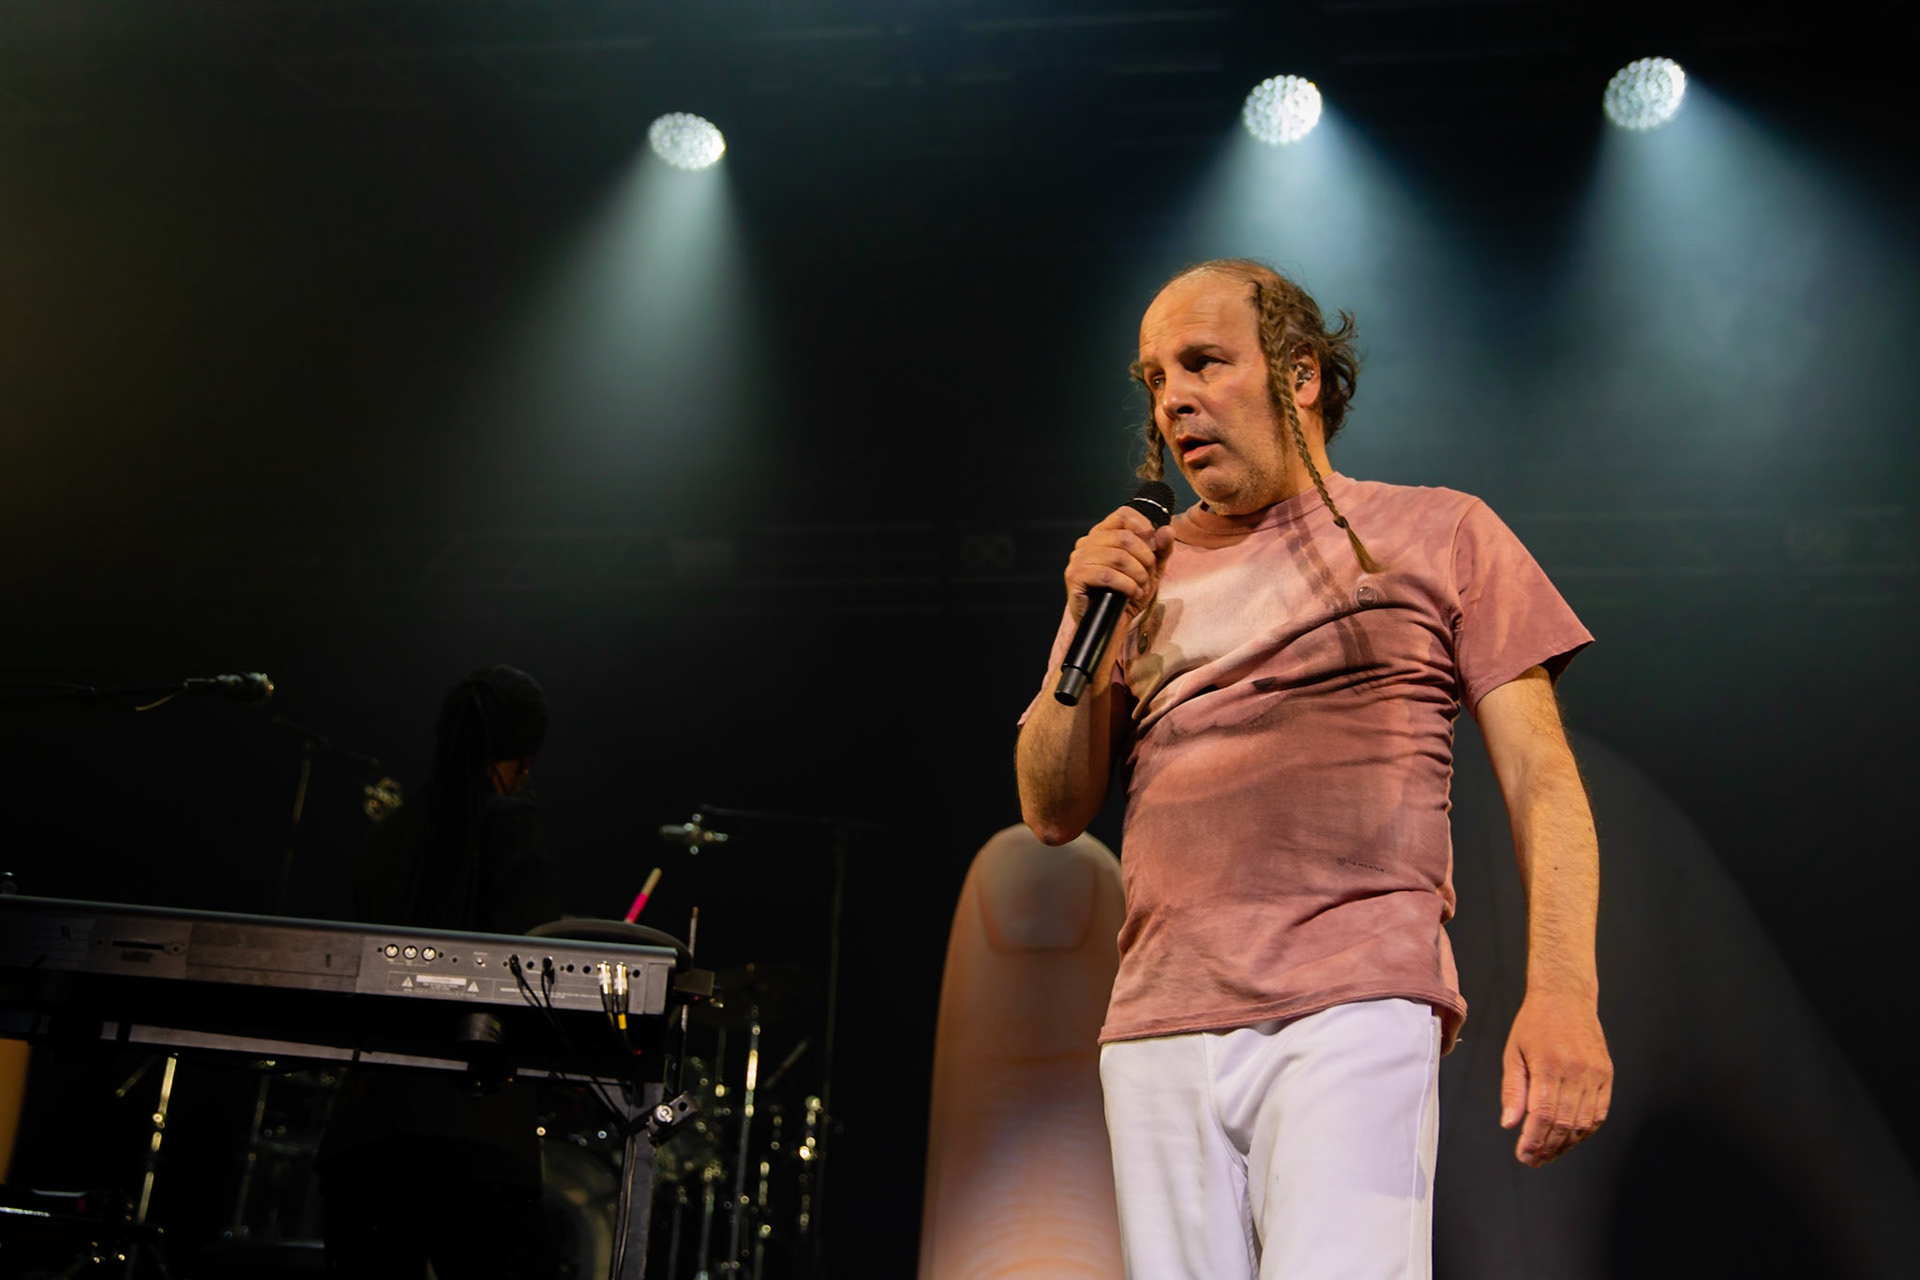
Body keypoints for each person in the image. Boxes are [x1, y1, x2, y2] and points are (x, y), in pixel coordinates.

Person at [1015, 259, 1613, 1279]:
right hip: (1159, 1020)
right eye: (1156, 378)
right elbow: (1052, 809)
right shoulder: (1136, 574)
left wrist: (1565, 991)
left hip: (1353, 1000)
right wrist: (1084, 616)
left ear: (1299, 374)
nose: (1175, 399)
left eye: (1203, 361)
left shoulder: (1442, 531)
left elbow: (1544, 781)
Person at [321, 664, 565, 1280]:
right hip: (475, 1133)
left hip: (364, 1137)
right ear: (522, 761)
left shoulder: (388, 836)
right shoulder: (514, 825)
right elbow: (533, 979)